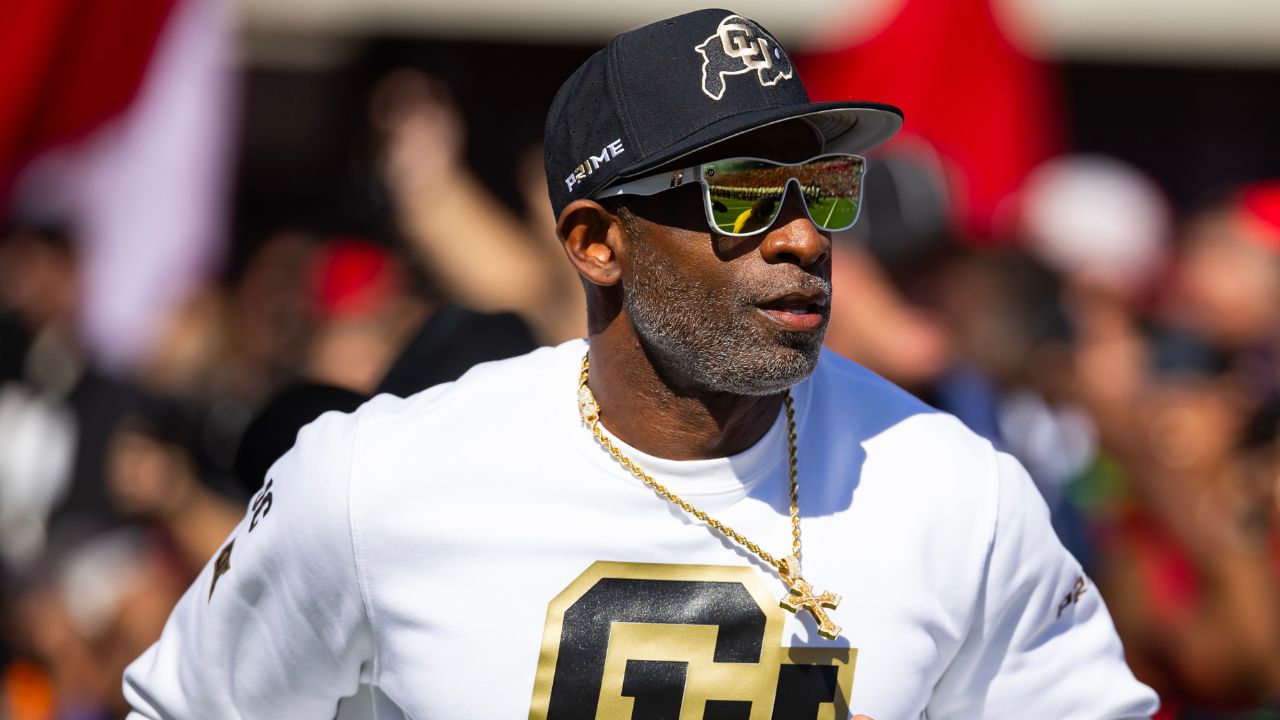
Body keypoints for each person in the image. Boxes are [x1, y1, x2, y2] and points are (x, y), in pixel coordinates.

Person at [122, 9, 1158, 718]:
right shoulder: (373, 482)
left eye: (823, 189)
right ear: (594, 242)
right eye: (743, 198)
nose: (801, 237)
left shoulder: (955, 490)